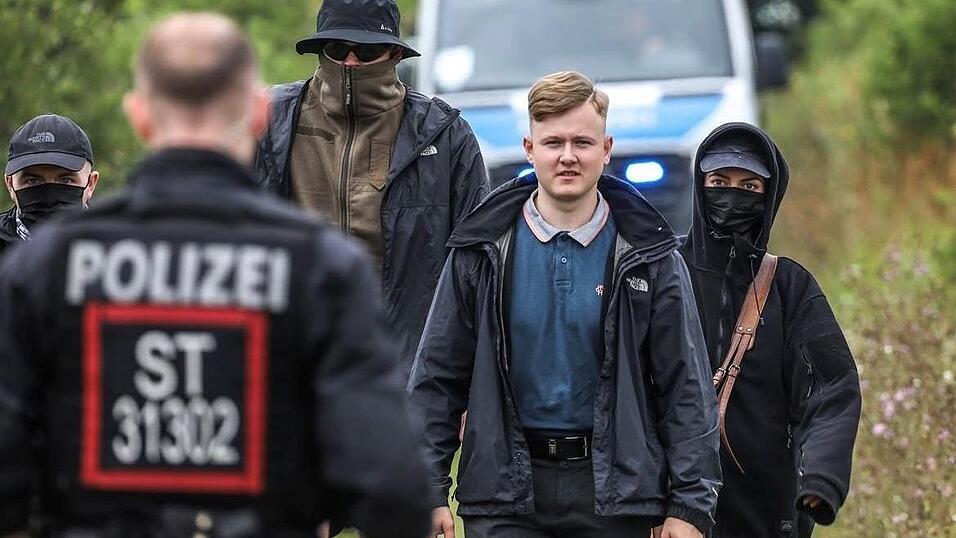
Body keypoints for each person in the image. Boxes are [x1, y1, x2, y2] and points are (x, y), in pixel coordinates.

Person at [0, 12, 430, 538]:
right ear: (255, 115)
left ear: (140, 116)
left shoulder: (46, 267)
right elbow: (392, 484)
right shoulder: (319, 266)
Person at [408, 71, 720, 538]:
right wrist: (427, 490)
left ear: (607, 148)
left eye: (582, 142)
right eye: (553, 142)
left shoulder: (649, 254)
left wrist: (690, 506)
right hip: (503, 493)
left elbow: (686, 386)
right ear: (530, 149)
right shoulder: (480, 249)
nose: (568, 157)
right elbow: (437, 377)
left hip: (615, 495)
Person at [255, 0, 490, 376]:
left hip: (408, 368)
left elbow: (477, 266)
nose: (349, 62)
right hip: (290, 358)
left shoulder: (445, 135)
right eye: (335, 49)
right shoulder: (269, 120)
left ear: (395, 53)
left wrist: (469, 381)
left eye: (364, 50)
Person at [677, 122, 862, 538]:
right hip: (672, 512)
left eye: (749, 187)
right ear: (699, 184)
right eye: (719, 181)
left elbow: (833, 387)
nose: (731, 195)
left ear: (769, 196)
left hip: (765, 510)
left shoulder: (790, 288)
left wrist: (820, 477)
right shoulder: (662, 273)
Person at [1, 114, 99, 256]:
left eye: (65, 180)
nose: (49, 195)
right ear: (10, 184)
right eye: (33, 181)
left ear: (91, 183)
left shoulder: (117, 246)